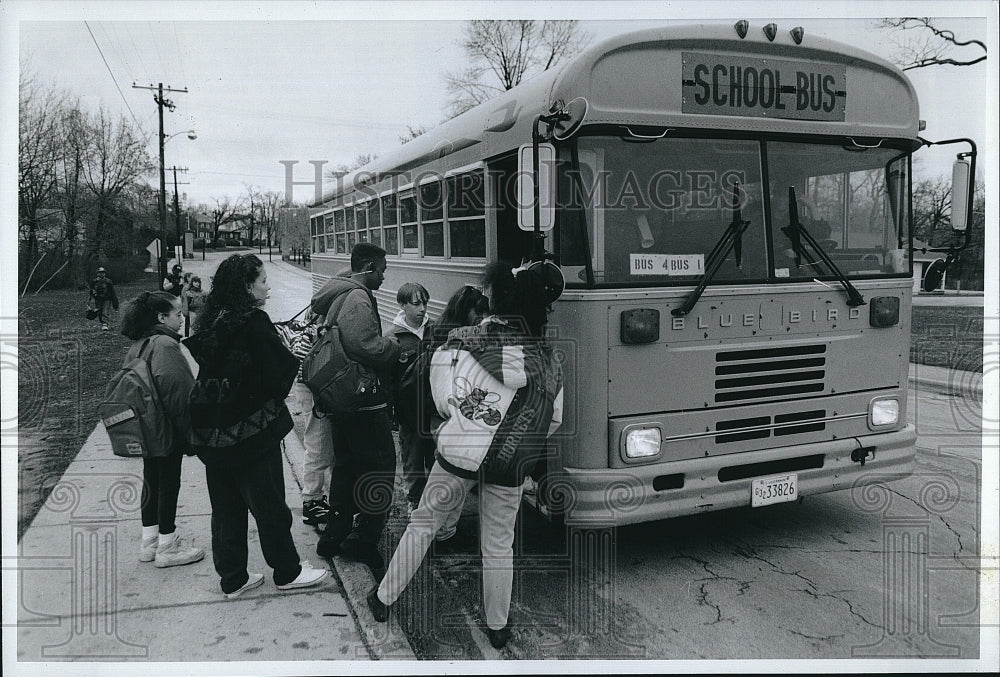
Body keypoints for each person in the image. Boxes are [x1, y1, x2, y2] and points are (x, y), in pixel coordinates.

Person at [368, 262, 564, 650]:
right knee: (498, 543)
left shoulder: (458, 343)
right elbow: (554, 419)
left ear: (496, 299)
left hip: (458, 455)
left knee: (423, 524)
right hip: (510, 464)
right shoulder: (549, 362)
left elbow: (443, 401)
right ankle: (498, 626)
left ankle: (383, 598)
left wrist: (462, 424)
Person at [185, 254, 328, 599]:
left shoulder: (212, 321)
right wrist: (294, 349)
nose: (268, 285)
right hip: (250, 433)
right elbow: (277, 377)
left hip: (211, 431)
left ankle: (232, 578)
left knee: (226, 509)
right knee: (270, 505)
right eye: (263, 280)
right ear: (247, 287)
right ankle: (287, 571)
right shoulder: (253, 321)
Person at [312, 242, 401, 577]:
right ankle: (362, 541)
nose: (383, 275)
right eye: (381, 269)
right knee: (379, 468)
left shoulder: (337, 294)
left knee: (346, 467)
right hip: (364, 400)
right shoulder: (358, 296)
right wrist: (393, 348)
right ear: (367, 267)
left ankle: (334, 535)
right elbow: (364, 344)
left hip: (341, 399)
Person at [119, 290, 205, 568]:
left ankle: (150, 541)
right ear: (161, 317)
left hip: (144, 427)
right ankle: (168, 546)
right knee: (169, 481)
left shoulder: (139, 344)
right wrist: (193, 432)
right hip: (165, 428)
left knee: (152, 480)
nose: (182, 318)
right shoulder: (166, 346)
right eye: (177, 314)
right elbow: (180, 394)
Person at [385, 282, 431, 512]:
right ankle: (414, 501)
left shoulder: (434, 331)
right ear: (402, 305)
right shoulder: (393, 337)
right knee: (412, 458)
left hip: (433, 408)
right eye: (415, 303)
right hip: (409, 411)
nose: (422, 308)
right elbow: (390, 380)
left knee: (434, 457)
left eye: (424, 302)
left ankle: (433, 502)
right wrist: (392, 411)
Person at [89, 267, 119, 331]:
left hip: (107, 299)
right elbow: (91, 290)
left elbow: (112, 292)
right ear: (97, 274)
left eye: (103, 273)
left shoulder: (108, 281)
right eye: (100, 273)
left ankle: (105, 324)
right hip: (98, 299)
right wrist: (93, 296)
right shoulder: (94, 281)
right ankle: (102, 322)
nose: (102, 274)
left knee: (105, 311)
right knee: (99, 312)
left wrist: (115, 303)